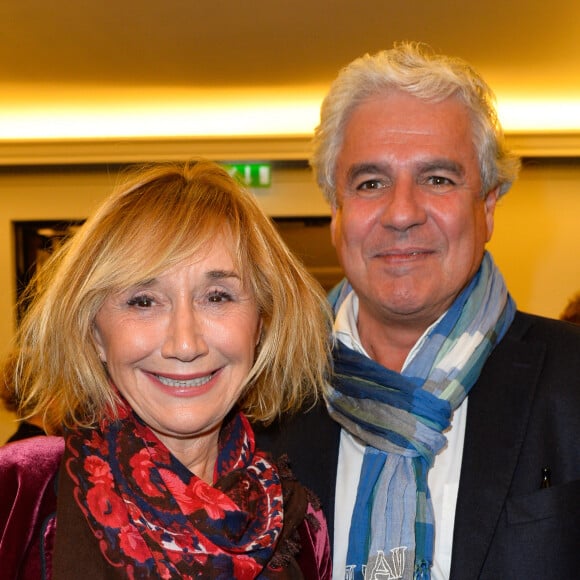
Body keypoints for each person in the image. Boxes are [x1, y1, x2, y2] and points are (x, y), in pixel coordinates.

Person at [256, 42, 580, 579]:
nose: (401, 212)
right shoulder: (263, 399)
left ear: (489, 207)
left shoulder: (572, 382)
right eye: (370, 183)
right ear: (336, 212)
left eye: (437, 179)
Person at [0, 159, 333, 579]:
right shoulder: (18, 495)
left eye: (217, 297)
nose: (185, 344)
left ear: (261, 325)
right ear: (96, 335)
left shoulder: (297, 523)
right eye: (143, 300)